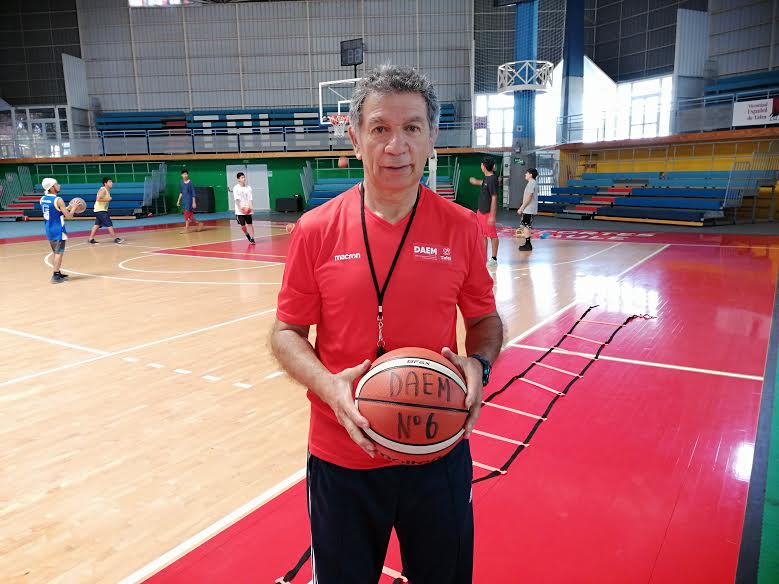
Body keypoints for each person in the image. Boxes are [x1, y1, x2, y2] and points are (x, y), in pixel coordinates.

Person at [271, 65, 503, 584]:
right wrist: (329, 386)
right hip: (342, 455)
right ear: (355, 138)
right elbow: (286, 333)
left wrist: (479, 362)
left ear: (431, 138)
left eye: (411, 128)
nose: (395, 145)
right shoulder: (315, 230)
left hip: (438, 451)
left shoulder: (462, 229)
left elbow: (484, 319)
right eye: (379, 128)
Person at [39, 177, 76, 284]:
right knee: (59, 253)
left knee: (55, 252)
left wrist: (67, 206)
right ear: (52, 188)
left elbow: (55, 212)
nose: (59, 185)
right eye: (57, 184)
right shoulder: (58, 200)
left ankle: (57, 272)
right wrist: (73, 207)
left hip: (49, 229)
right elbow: (69, 216)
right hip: (58, 230)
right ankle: (55, 276)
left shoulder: (42, 199)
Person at [469, 156, 499, 266]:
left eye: (482, 164)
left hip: (488, 213)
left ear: (484, 166)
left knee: (492, 235)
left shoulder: (492, 179)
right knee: (482, 236)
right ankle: (483, 257)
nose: (481, 166)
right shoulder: (487, 177)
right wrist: (476, 181)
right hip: (481, 211)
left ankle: (494, 259)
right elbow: (484, 183)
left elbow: (494, 197)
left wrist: (492, 215)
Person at [88, 177, 124, 244]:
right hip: (100, 210)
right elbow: (98, 199)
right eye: (110, 182)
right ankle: (115, 239)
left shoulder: (107, 190)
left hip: (100, 210)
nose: (112, 183)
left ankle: (91, 239)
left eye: (111, 182)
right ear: (105, 183)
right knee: (109, 223)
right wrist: (108, 199)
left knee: (97, 224)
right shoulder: (103, 190)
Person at [517, 168, 538, 252]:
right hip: (529, 208)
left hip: (528, 209)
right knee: (527, 226)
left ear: (531, 175)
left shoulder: (532, 183)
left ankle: (528, 244)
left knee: (526, 226)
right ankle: (527, 244)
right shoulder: (532, 183)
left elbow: (529, 197)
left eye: (527, 173)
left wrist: (522, 207)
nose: (525, 174)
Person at [233, 172, 255, 244]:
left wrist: (251, 207)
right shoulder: (235, 188)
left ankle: (252, 238)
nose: (244, 179)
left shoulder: (248, 188)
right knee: (243, 226)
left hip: (247, 208)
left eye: (244, 177)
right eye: (242, 177)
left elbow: (250, 199)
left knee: (250, 224)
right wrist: (240, 209)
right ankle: (246, 234)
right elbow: (237, 200)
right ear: (238, 179)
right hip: (239, 211)